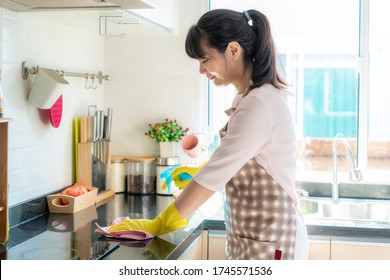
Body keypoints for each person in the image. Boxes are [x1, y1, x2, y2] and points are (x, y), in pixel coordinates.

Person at [107, 9, 309, 260]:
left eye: (205, 60)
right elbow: (238, 161)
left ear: (233, 50)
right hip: (259, 238)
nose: (202, 70)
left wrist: (160, 223)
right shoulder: (249, 99)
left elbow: (215, 174)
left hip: (275, 244)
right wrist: (198, 170)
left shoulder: (259, 104)